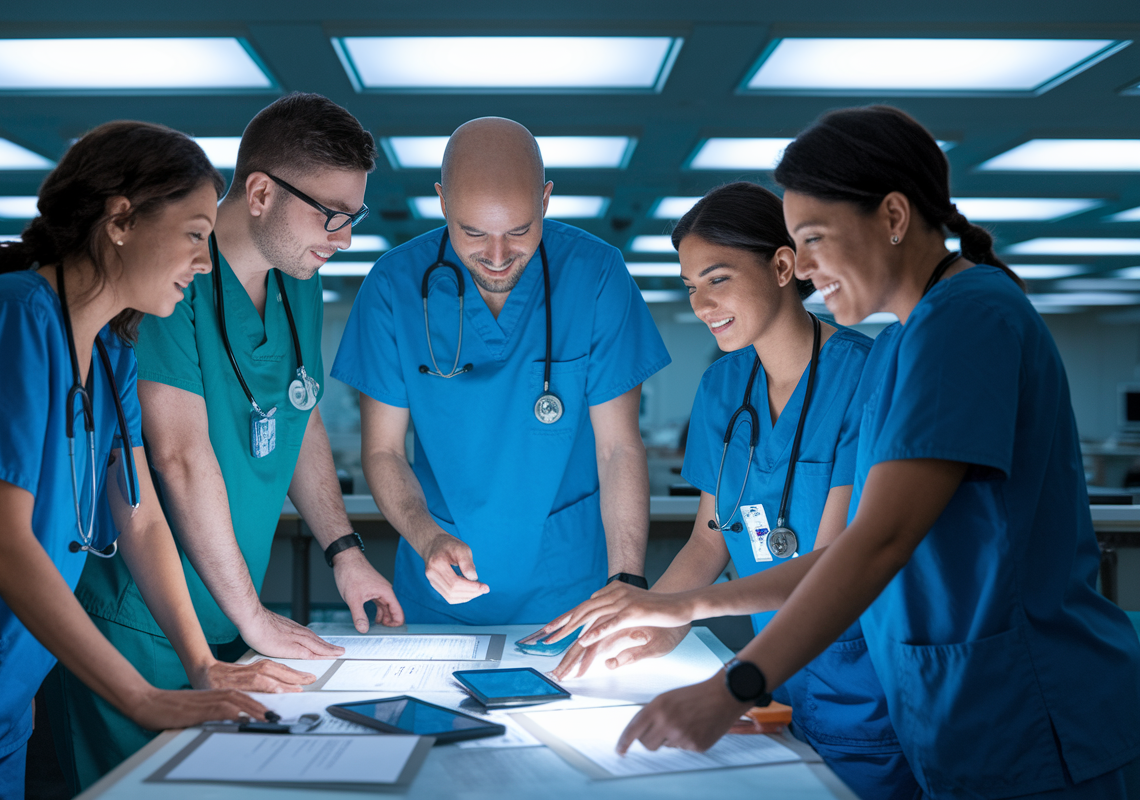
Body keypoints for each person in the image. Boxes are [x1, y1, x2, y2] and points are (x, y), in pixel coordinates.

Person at [615, 106, 1140, 799]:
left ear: (893, 217)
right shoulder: (918, 336)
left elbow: (878, 538)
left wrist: (735, 682)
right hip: (958, 703)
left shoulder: (966, 321)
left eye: (812, 239)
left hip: (1030, 707)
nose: (800, 266)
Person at [0, 121, 284, 798]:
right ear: (121, 220)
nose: (204, 263)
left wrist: (200, 663)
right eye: (195, 234)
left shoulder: (112, 350)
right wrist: (142, 698)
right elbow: (0, 544)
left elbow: (140, 520)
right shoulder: (14, 318)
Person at [47, 93, 404, 790]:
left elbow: (299, 417)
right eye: (330, 215)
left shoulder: (299, 279)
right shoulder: (168, 274)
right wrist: (254, 616)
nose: (344, 237)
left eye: (351, 217)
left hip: (232, 616)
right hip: (139, 623)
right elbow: (177, 454)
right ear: (263, 192)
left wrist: (344, 552)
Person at [535, 181, 918, 799]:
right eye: (691, 287)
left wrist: (682, 608)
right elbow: (709, 539)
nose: (702, 304)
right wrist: (647, 620)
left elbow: (839, 561)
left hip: (867, 685)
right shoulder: (722, 388)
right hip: (773, 682)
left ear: (783, 265)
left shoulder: (868, 376)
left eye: (717, 279)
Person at [330, 117, 669, 624]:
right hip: (439, 583)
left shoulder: (596, 275)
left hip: (573, 588)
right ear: (442, 201)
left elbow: (618, 447)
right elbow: (382, 450)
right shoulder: (392, 287)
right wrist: (429, 538)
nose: (495, 256)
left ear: (546, 201)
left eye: (519, 232)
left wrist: (627, 578)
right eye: (471, 232)